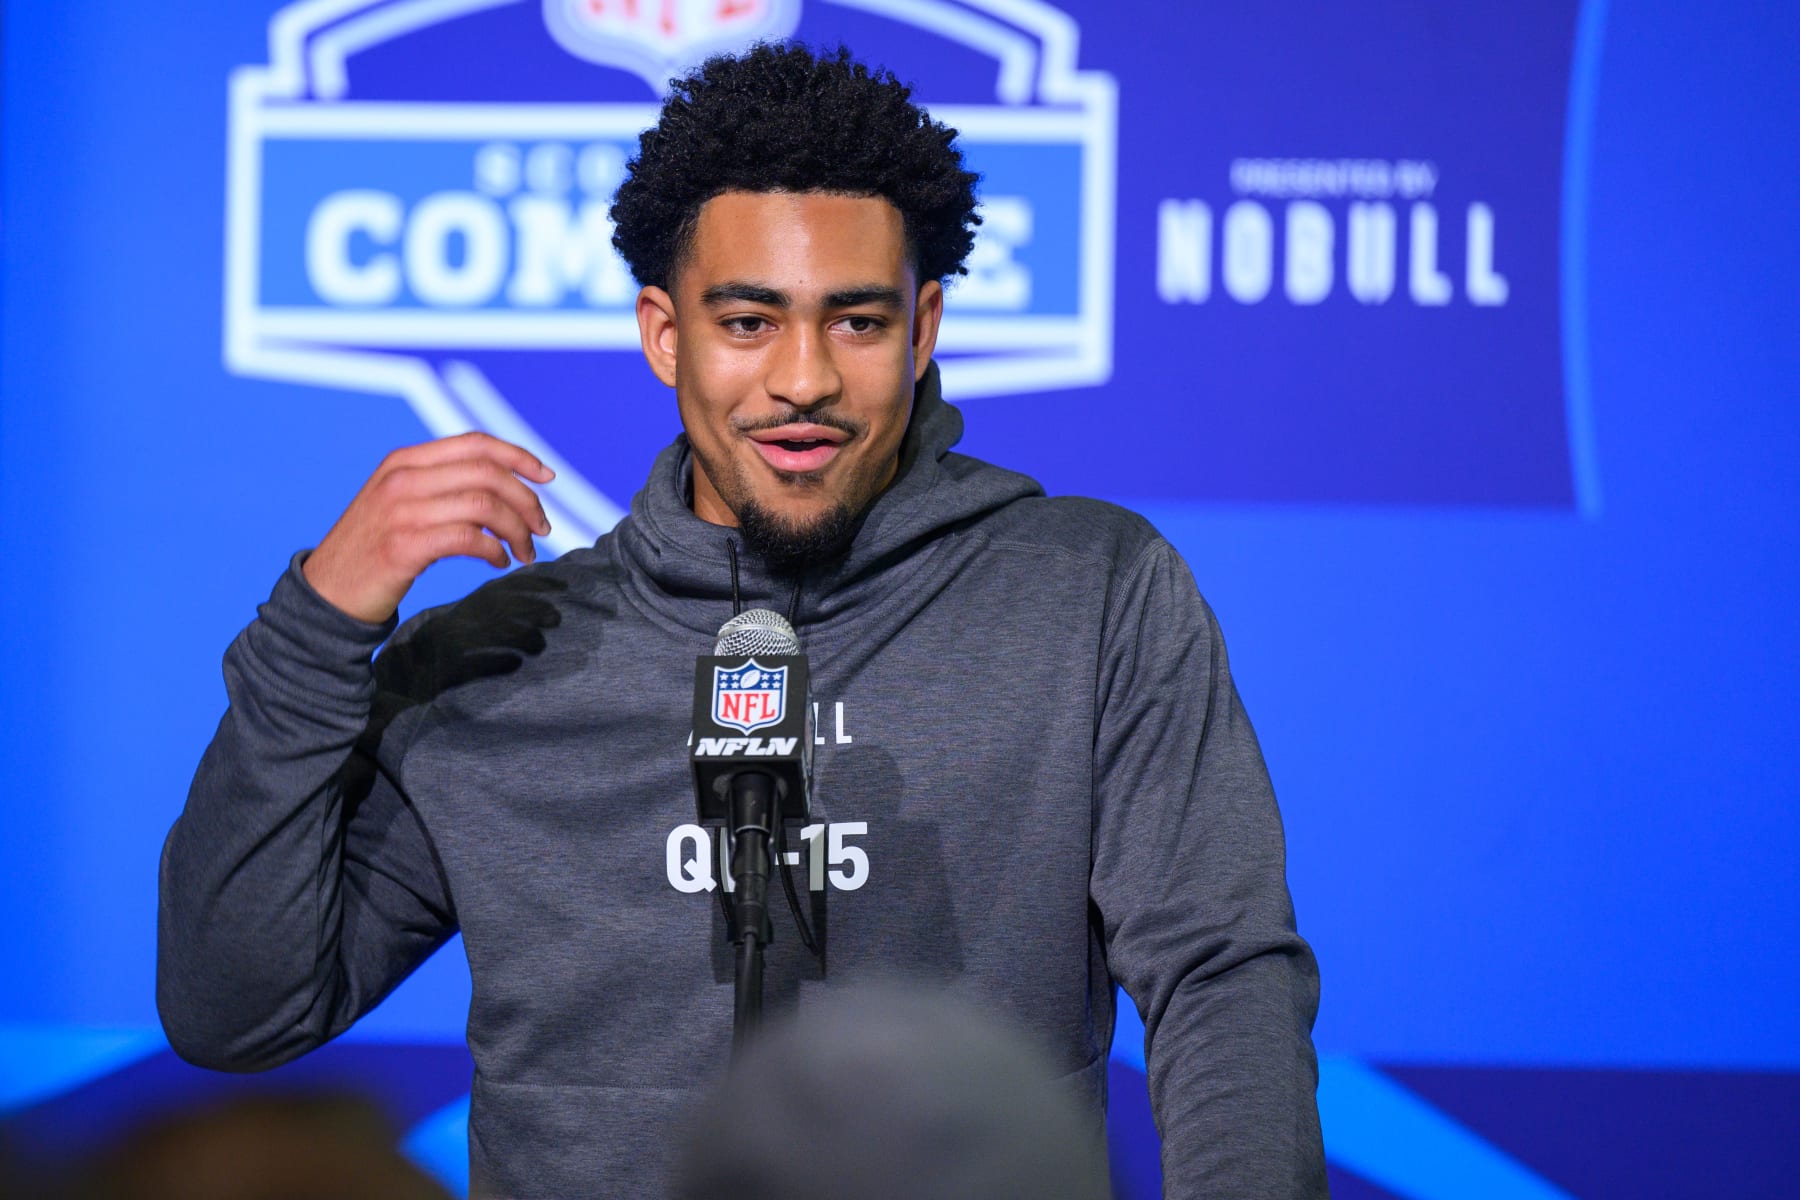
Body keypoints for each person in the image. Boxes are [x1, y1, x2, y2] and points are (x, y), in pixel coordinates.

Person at [159, 43, 1326, 1198]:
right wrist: (315, 624)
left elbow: (1221, 976)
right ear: (667, 336)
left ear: (923, 331)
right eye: (750, 323)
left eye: (858, 323)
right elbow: (238, 1011)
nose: (805, 378)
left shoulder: (1090, 594)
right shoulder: (502, 661)